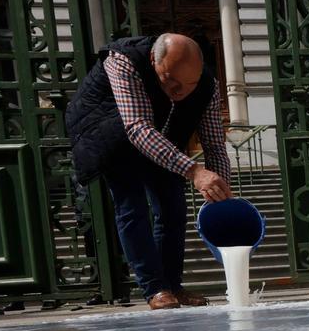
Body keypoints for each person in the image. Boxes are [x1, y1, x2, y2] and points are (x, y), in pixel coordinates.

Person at [66, 33, 232, 309]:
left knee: (173, 209)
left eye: (188, 84)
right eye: (171, 81)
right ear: (154, 60)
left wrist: (221, 190)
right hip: (112, 132)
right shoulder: (122, 60)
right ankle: (155, 289)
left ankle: (173, 286)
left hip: (165, 137)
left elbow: (214, 143)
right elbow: (138, 128)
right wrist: (193, 171)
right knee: (132, 208)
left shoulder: (208, 86)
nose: (180, 92)